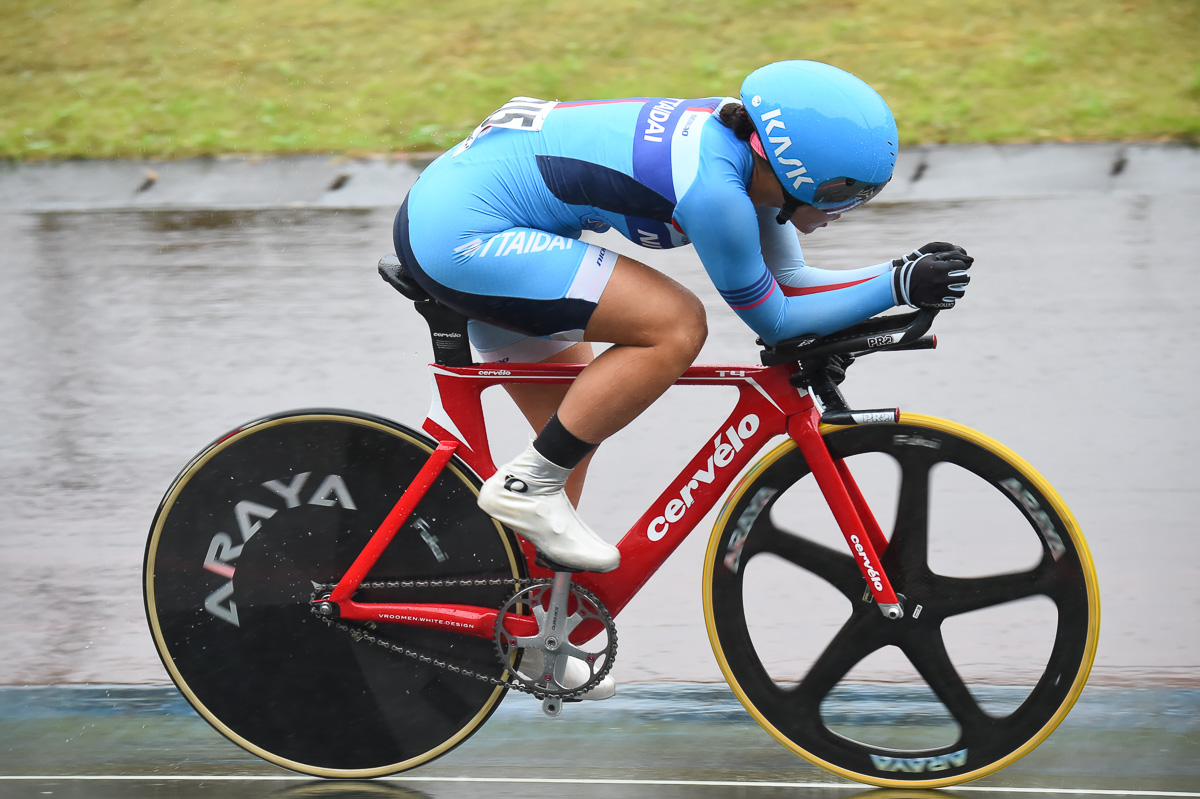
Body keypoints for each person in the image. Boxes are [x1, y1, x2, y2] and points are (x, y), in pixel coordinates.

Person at [393, 60, 972, 579]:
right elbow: (779, 322)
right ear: (799, 175)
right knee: (674, 325)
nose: (844, 213)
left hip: (480, 215)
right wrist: (896, 283)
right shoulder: (717, 192)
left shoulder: (750, 155)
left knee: (577, 423)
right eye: (843, 196)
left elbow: (791, 284)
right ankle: (524, 489)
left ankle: (535, 621)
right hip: (465, 236)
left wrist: (898, 276)